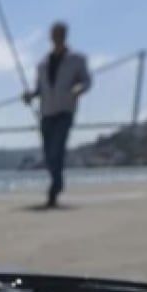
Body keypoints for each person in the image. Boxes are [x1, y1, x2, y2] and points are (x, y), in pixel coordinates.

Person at [23, 21, 92, 209]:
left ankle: (55, 188)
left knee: (57, 150)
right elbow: (39, 89)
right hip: (46, 112)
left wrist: (78, 89)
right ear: (51, 37)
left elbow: (87, 81)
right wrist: (30, 96)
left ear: (65, 35)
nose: (57, 37)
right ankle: (56, 183)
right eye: (54, 34)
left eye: (60, 34)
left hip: (65, 111)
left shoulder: (77, 59)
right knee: (48, 154)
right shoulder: (43, 64)